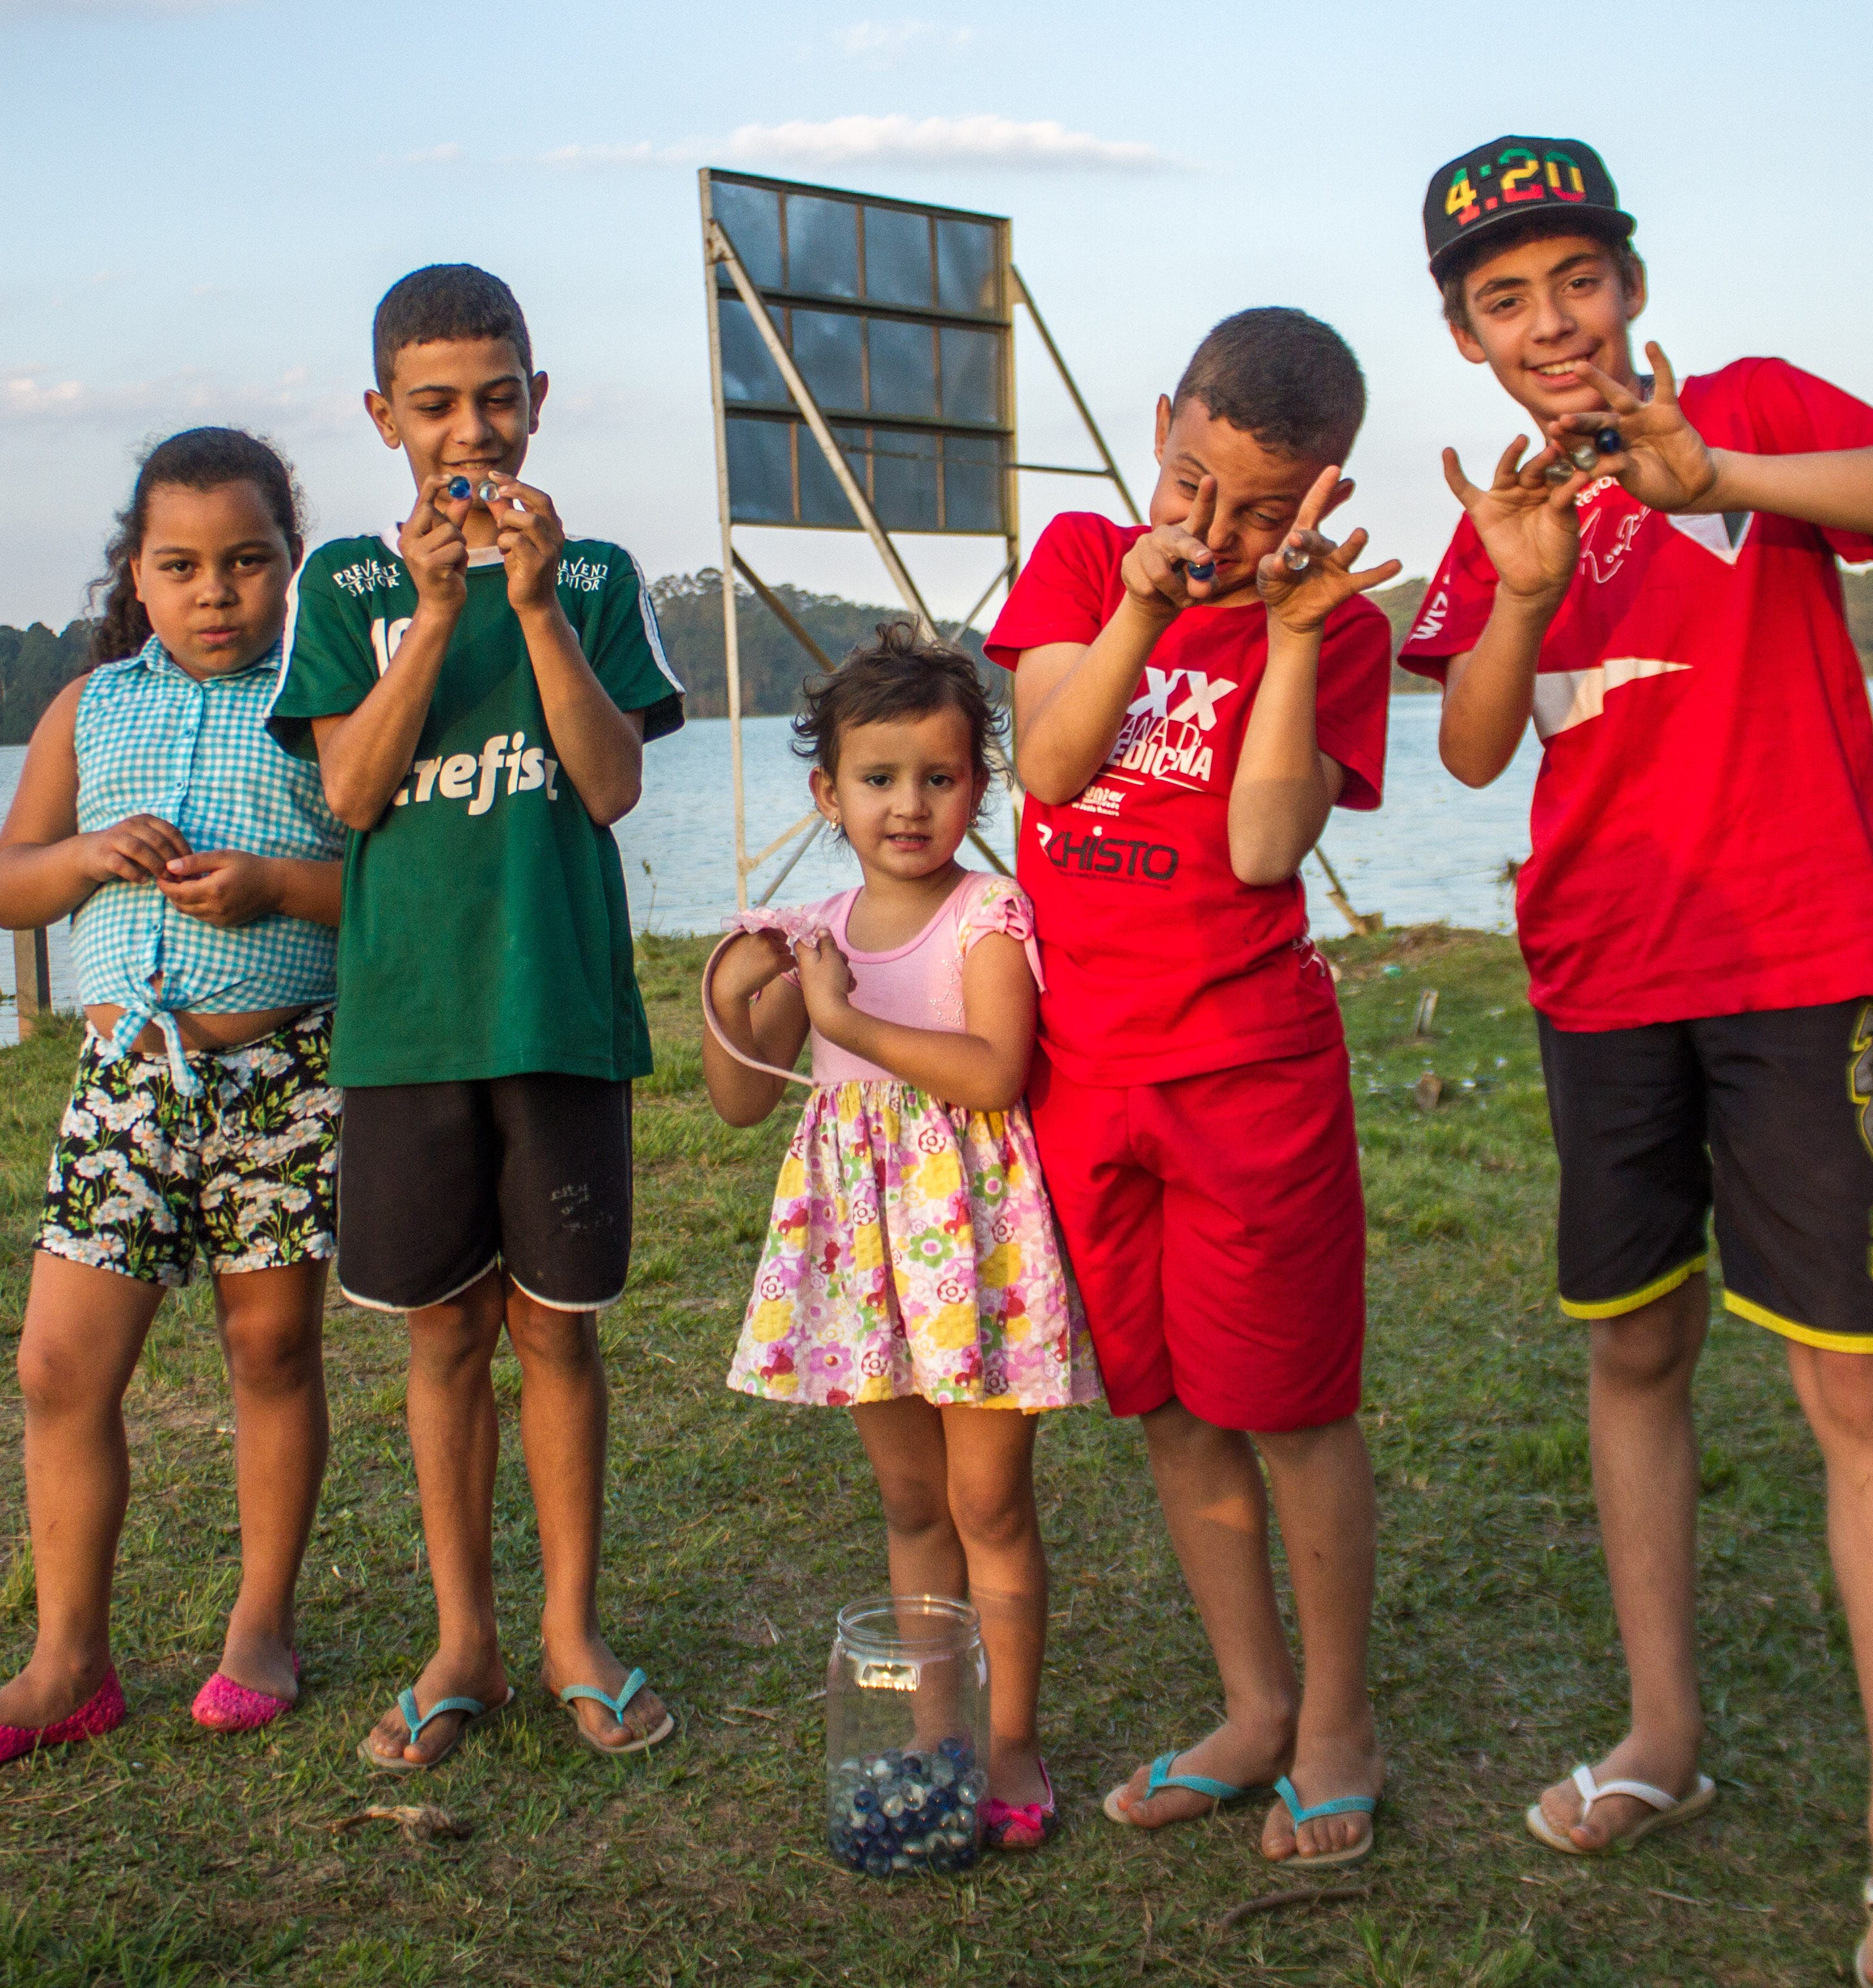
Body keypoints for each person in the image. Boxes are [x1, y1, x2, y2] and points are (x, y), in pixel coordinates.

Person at [1401, 136, 1873, 1986]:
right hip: (1602, 987)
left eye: (1576, 280)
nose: (1551, 322)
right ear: (1467, 337)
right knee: (1635, 1348)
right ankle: (1664, 1731)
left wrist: (1718, 473)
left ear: (1632, 287)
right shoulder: (1499, 509)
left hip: (1796, 965)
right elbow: (1482, 755)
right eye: (1506, 301)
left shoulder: (1746, 415)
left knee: (1860, 1395)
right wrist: (1513, 588)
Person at [983, 308, 1403, 1869]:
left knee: (1288, 1409)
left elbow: (1263, 847)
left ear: (1321, 498)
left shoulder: (1338, 624)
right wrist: (1144, 617)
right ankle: (1252, 1703)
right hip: (1086, 1077)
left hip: (1248, 1077)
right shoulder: (1089, 562)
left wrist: (1289, 636)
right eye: (1191, 485)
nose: (1216, 533)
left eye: (1260, 510)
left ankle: (1341, 1717)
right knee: (1165, 1403)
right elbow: (1046, 767)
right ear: (1159, 427)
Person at [273, 263, 688, 1771]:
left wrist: (527, 602)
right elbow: (352, 792)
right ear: (383, 416)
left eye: (498, 400)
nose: (472, 436)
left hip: (559, 1011)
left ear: (540, 400)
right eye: (435, 405)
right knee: (441, 1335)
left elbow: (612, 782)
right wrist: (440, 615)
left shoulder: (592, 573)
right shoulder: (346, 587)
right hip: (410, 1022)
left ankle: (574, 1631)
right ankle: (466, 1643)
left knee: (559, 1336)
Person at [0, 425, 345, 1773]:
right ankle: (67, 1664)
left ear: (291, 566)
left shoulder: (328, 697)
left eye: (247, 562)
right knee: (58, 1368)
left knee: (270, 1353)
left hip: (284, 1075)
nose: (217, 591)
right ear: (138, 578)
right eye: (182, 566)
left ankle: (260, 1627)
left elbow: (390, 890)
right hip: (124, 1083)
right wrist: (90, 855)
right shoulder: (89, 707)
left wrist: (274, 885)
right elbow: (6, 886)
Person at [698, 625, 1103, 1852]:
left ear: (979, 785)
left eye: (939, 777)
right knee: (911, 1502)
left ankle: (1012, 1741)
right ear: (829, 794)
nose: (909, 806)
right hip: (868, 1261)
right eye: (878, 780)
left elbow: (995, 1072)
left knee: (990, 1505)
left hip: (969, 1252)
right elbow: (741, 1096)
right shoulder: (814, 928)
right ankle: (941, 1733)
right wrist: (730, 996)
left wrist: (851, 1026)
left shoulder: (989, 915)